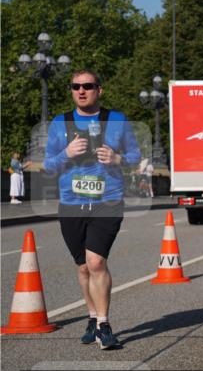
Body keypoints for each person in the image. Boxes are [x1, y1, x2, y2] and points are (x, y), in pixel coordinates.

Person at [44, 69, 141, 349]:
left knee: (96, 262)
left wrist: (118, 158)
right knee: (84, 266)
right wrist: (66, 154)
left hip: (107, 201)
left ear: (99, 89)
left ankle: (103, 325)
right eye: (76, 86)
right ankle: (92, 316)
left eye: (87, 85)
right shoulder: (60, 123)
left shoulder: (117, 120)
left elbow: (135, 156)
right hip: (71, 203)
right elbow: (48, 164)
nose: (81, 90)